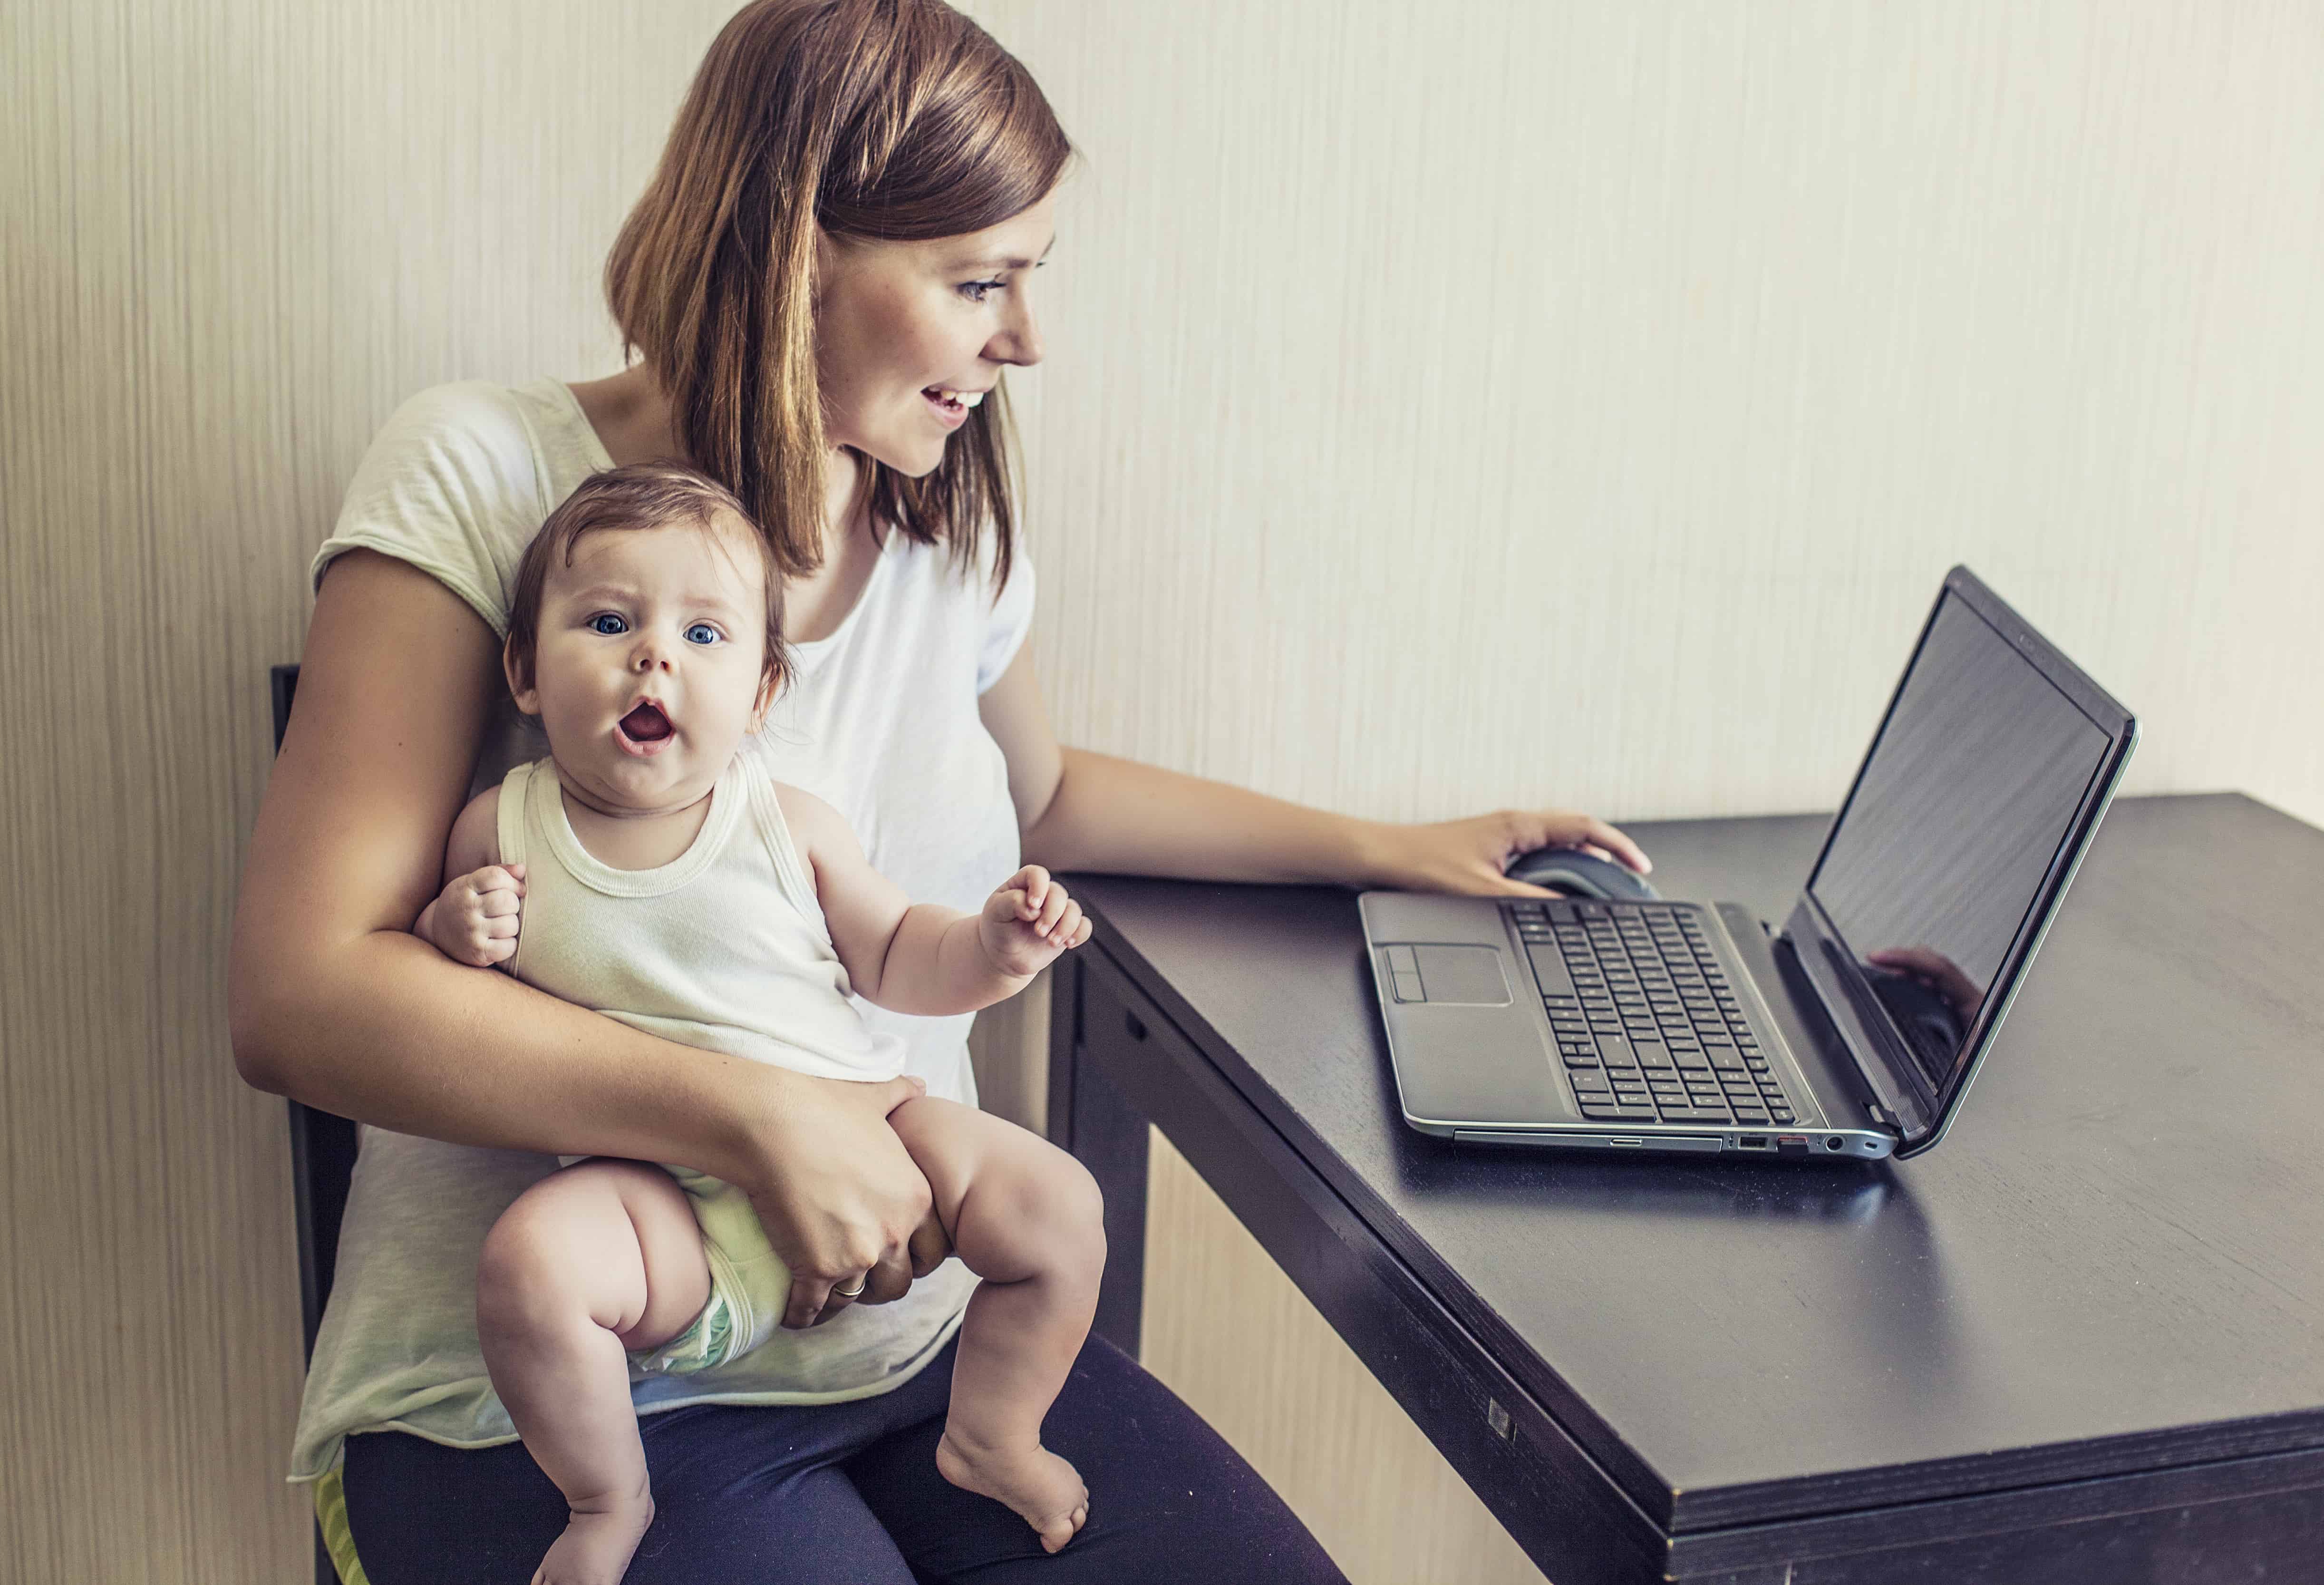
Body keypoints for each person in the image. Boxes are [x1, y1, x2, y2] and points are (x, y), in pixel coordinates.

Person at [228, 1, 1650, 1579]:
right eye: (980, 281)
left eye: (1029, 278)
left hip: (919, 1347)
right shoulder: (490, 474)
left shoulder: (937, 524)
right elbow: (299, 997)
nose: (1024, 339)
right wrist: (763, 1115)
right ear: (794, 256)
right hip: (551, 1389)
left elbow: (1043, 800)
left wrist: (1387, 849)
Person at [428, 463, 1105, 1582]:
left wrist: (991, 946)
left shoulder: (786, 821)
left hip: (869, 1133)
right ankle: (608, 1497)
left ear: (759, 694)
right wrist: (460, 929)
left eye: (704, 634)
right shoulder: (499, 828)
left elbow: (895, 953)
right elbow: (454, 1021)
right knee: (530, 1263)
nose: (655, 656)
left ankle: (991, 1432)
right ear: (525, 672)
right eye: (608, 621)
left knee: (1060, 1207)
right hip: (659, 1198)